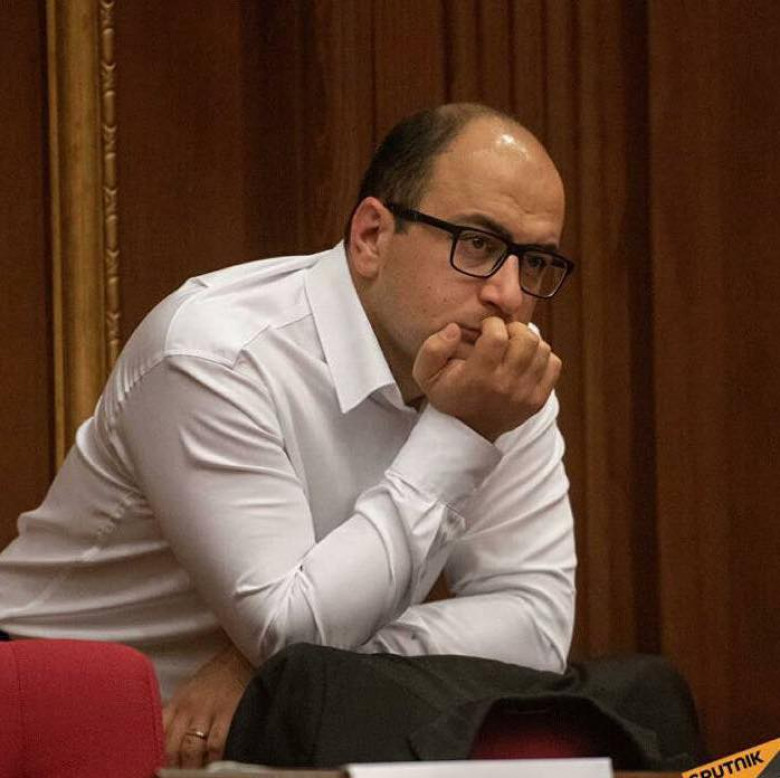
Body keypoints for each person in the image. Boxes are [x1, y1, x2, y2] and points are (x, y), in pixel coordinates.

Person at [0, 103, 577, 767]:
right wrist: (461, 431)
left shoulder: (500, 379)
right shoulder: (216, 352)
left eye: (534, 261)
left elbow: (537, 624)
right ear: (371, 236)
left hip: (269, 738)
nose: (509, 295)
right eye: (477, 245)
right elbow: (288, 631)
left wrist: (265, 671)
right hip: (53, 721)